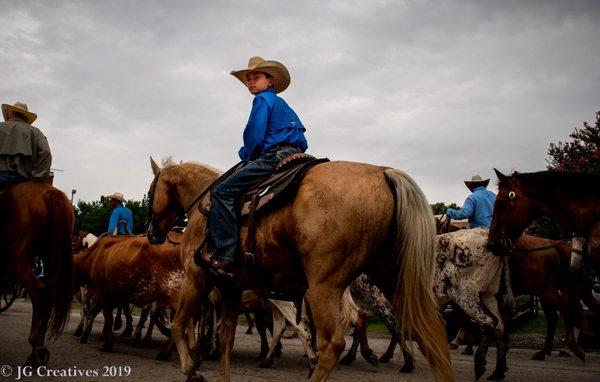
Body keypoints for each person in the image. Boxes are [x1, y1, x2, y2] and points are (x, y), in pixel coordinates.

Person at [200, 56, 308, 279]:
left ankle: (226, 254)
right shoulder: (283, 105)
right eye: (248, 79)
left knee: (222, 192)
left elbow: (254, 136)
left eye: (255, 77)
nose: (250, 82)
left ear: (270, 81)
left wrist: (246, 154)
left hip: (273, 155)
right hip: (297, 154)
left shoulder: (262, 100)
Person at [0, 102, 52, 186]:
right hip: (23, 179)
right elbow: (46, 152)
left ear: (10, 114)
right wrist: (37, 177)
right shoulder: (36, 132)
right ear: (26, 117)